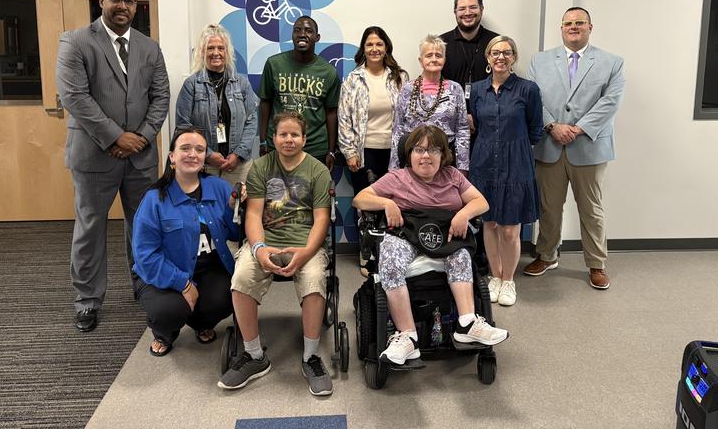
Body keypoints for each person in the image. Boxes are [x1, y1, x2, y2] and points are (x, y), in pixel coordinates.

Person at [56, 0, 170, 333]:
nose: (123, 7)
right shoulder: (75, 41)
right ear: (101, 2)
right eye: (116, 0)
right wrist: (115, 137)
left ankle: (144, 286)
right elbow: (75, 97)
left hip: (141, 156)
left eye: (130, 2)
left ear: (137, 7)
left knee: (144, 227)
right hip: (95, 154)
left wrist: (142, 136)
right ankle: (87, 300)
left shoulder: (149, 47)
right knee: (91, 228)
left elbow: (161, 96)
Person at [353, 125, 509, 366]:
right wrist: (386, 203)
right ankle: (407, 337)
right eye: (419, 150)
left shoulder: (453, 176)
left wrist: (463, 214)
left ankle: (467, 323)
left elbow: (481, 202)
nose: (426, 156)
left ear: (443, 155)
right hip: (408, 234)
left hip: (444, 234)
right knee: (390, 258)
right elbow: (360, 198)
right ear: (409, 154)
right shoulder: (397, 177)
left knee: (461, 255)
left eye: (433, 150)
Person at [218, 111, 334, 396]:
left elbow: (321, 219)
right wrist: (258, 250)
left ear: (304, 139)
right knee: (242, 275)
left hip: (305, 244)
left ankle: (310, 358)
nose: (289, 139)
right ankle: (255, 356)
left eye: (295, 134)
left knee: (315, 280)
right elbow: (254, 214)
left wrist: (306, 253)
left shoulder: (318, 170)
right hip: (266, 242)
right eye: (283, 134)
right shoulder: (260, 167)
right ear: (273, 138)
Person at [525, 7, 625, 290]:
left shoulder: (611, 62)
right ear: (561, 28)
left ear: (590, 27)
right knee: (549, 207)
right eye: (568, 23)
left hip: (589, 147)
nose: (573, 27)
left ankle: (596, 263)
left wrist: (578, 128)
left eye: (579, 23)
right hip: (549, 143)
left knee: (591, 209)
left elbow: (611, 102)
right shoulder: (540, 60)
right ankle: (546, 255)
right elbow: (533, 99)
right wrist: (552, 126)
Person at [132, 127, 239, 356]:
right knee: (169, 311)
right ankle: (164, 333)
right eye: (185, 148)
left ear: (204, 158)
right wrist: (183, 283)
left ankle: (201, 323)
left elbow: (236, 235)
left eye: (199, 150)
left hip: (209, 269)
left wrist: (233, 210)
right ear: (172, 156)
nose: (193, 154)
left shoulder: (220, 188)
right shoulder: (155, 198)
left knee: (230, 296)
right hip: (163, 274)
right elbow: (145, 256)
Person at [469, 36, 543, 306]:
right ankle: (495, 276)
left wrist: (515, 147)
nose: (500, 56)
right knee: (488, 223)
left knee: (510, 229)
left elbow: (536, 130)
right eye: (495, 52)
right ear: (488, 58)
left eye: (506, 52)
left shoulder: (528, 89)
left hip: (516, 164)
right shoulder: (477, 90)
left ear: (514, 57)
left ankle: (509, 280)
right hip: (484, 162)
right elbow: (474, 124)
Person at [176, 23, 258, 184]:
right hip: (203, 165)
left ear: (227, 52)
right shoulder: (191, 85)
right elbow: (182, 127)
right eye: (210, 48)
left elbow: (251, 121)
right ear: (202, 52)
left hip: (238, 166)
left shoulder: (242, 83)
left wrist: (237, 154)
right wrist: (207, 154)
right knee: (204, 208)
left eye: (220, 48)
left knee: (237, 208)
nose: (216, 53)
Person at [258, 16, 340, 170]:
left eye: (308, 31)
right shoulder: (274, 64)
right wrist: (263, 140)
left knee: (313, 193)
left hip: (315, 148)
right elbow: (265, 102)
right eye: (297, 30)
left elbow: (331, 112)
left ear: (317, 37)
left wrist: (331, 150)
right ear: (292, 35)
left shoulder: (329, 72)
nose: (302, 34)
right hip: (279, 145)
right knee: (276, 192)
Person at [338, 26, 408, 198]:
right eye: (369, 45)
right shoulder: (353, 80)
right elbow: (344, 118)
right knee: (365, 203)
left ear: (386, 48)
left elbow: (408, 115)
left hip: (394, 152)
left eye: (379, 44)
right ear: (363, 49)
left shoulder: (400, 78)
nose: (374, 49)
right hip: (363, 153)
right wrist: (349, 153)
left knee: (393, 202)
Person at [389, 35, 469, 172]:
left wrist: (463, 166)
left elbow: (462, 130)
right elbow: (398, 129)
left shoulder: (455, 89)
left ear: (444, 60)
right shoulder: (407, 89)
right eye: (429, 55)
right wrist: (394, 166)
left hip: (444, 159)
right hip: (412, 160)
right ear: (421, 61)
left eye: (438, 55)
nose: (434, 59)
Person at [440, 0, 498, 134]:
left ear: (481, 10)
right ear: (455, 12)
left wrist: (477, 117)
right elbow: (434, 87)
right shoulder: (441, 44)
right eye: (462, 9)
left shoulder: (496, 43)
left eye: (473, 7)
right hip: (448, 126)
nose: (467, 12)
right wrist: (461, 116)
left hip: (488, 126)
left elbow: (503, 86)